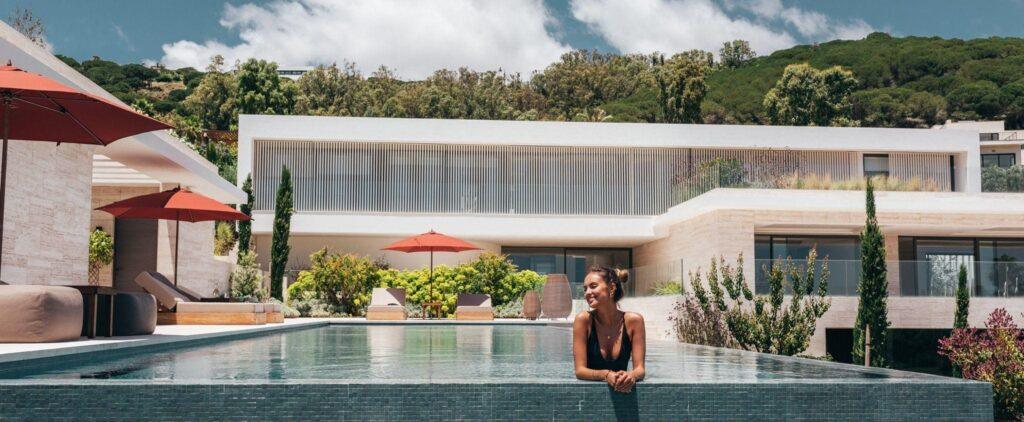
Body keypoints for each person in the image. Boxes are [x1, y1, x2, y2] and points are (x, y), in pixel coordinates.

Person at [572, 266, 646, 393]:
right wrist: (606, 375)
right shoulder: (583, 320)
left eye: (593, 286)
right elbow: (580, 370)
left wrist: (630, 376)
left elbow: (640, 369)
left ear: (611, 288)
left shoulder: (634, 321)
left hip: (623, 395)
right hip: (590, 395)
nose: (587, 293)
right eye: (585, 289)